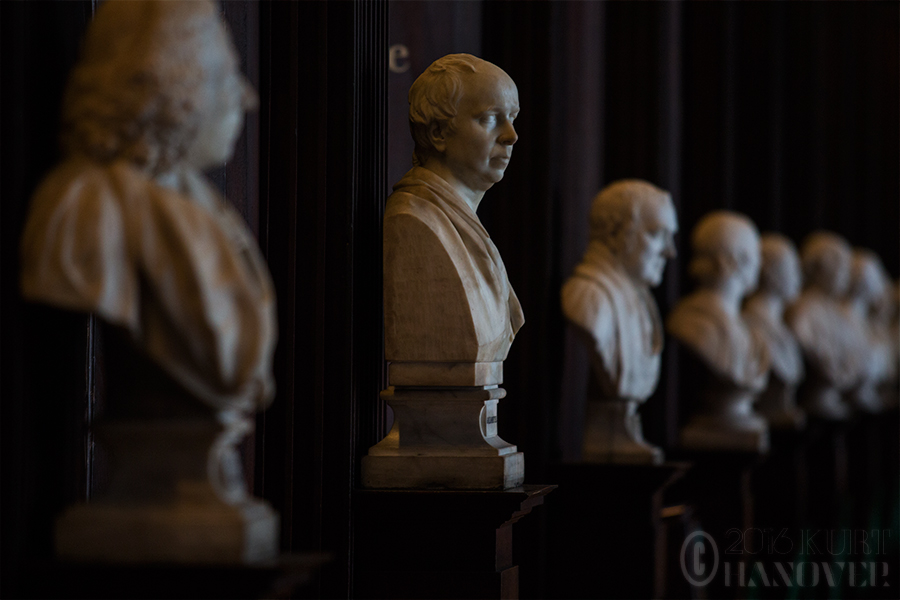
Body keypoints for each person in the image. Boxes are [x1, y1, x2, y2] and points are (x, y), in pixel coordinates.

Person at [19, 0, 278, 563]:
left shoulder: (204, 207)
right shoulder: (85, 210)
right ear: (176, 87)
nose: (247, 99)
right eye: (228, 78)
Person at [383, 53, 524, 386]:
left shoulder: (461, 225)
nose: (511, 136)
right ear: (438, 133)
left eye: (513, 118)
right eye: (491, 118)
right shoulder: (415, 224)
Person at [561, 179, 677, 463]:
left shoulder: (638, 299)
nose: (669, 251)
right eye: (656, 235)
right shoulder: (588, 298)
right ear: (615, 232)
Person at [666, 211, 770, 451]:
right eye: (755, 254)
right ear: (735, 259)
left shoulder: (748, 327)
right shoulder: (689, 321)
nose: (759, 264)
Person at [786, 231, 860, 420]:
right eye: (841, 266)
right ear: (821, 268)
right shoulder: (803, 311)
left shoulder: (837, 313)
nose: (847, 275)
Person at [743, 233, 806, 429]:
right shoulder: (752, 322)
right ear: (770, 272)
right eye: (792, 268)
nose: (799, 277)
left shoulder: (781, 324)